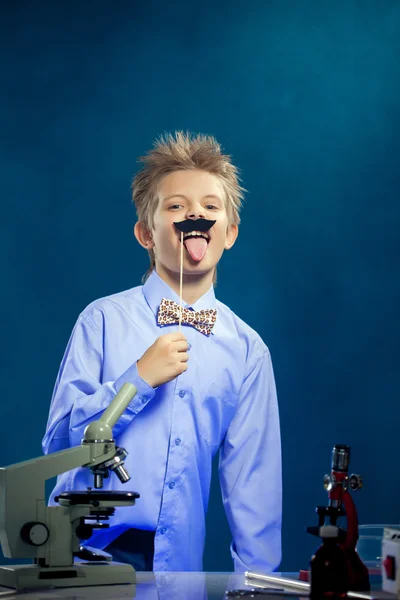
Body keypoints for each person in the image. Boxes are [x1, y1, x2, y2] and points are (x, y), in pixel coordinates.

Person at [42, 131, 282, 573]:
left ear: (228, 233)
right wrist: (136, 380)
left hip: (178, 571)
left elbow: (254, 485)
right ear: (146, 234)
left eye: (211, 206)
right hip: (78, 561)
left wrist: (258, 584)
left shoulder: (248, 351)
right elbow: (58, 439)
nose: (195, 213)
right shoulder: (102, 320)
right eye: (175, 206)